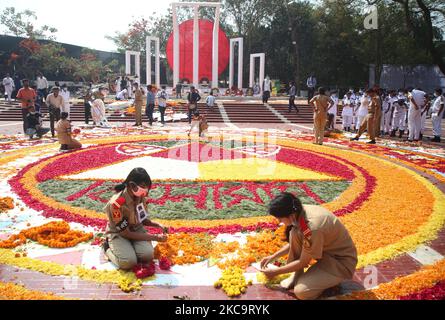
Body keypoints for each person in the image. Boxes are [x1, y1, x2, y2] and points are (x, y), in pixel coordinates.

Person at [261, 193, 357, 300]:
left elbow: (303, 262)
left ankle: (332, 282)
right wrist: (272, 257)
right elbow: (296, 242)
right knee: (294, 232)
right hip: (327, 255)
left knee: (302, 292)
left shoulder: (312, 227)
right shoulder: (299, 211)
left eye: (280, 218)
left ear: (291, 215)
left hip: (340, 263)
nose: (279, 222)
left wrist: (275, 272)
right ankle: (298, 276)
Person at [103, 168, 168, 270]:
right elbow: (125, 233)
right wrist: (156, 237)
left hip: (136, 229)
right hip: (120, 234)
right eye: (142, 187)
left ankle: (129, 249)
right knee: (128, 262)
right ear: (131, 185)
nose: (145, 191)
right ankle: (106, 248)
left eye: (146, 187)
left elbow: (143, 219)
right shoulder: (116, 204)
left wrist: (158, 225)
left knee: (147, 256)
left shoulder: (140, 197)